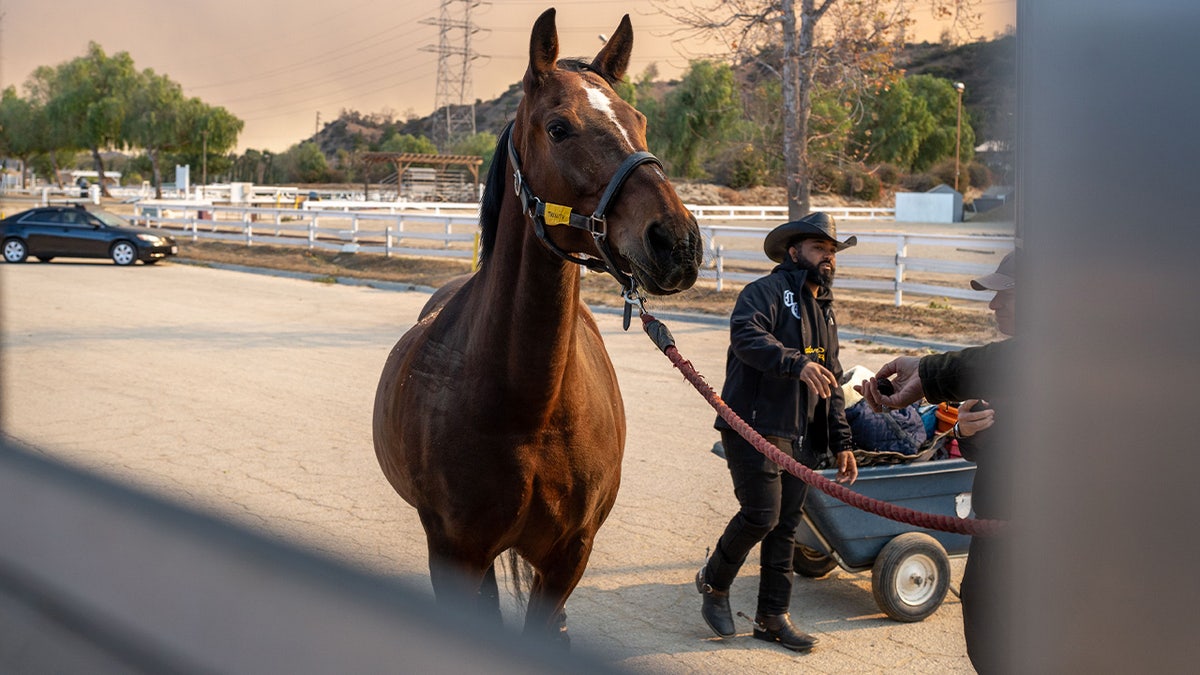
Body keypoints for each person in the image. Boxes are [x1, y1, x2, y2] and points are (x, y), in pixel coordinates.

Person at [696, 212, 859, 653]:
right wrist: (795, 362)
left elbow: (835, 380)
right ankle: (714, 581)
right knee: (761, 516)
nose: (828, 258)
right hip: (752, 426)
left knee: (785, 527)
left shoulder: (826, 311)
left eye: (832, 252)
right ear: (794, 252)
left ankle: (772, 618)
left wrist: (842, 442)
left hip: (801, 436)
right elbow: (745, 336)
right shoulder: (763, 293)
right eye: (819, 249)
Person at [858, 249, 1018, 674]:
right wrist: (968, 433)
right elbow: (990, 451)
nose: (993, 305)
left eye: (1008, 295)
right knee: (984, 626)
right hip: (994, 526)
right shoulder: (1006, 369)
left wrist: (928, 374)